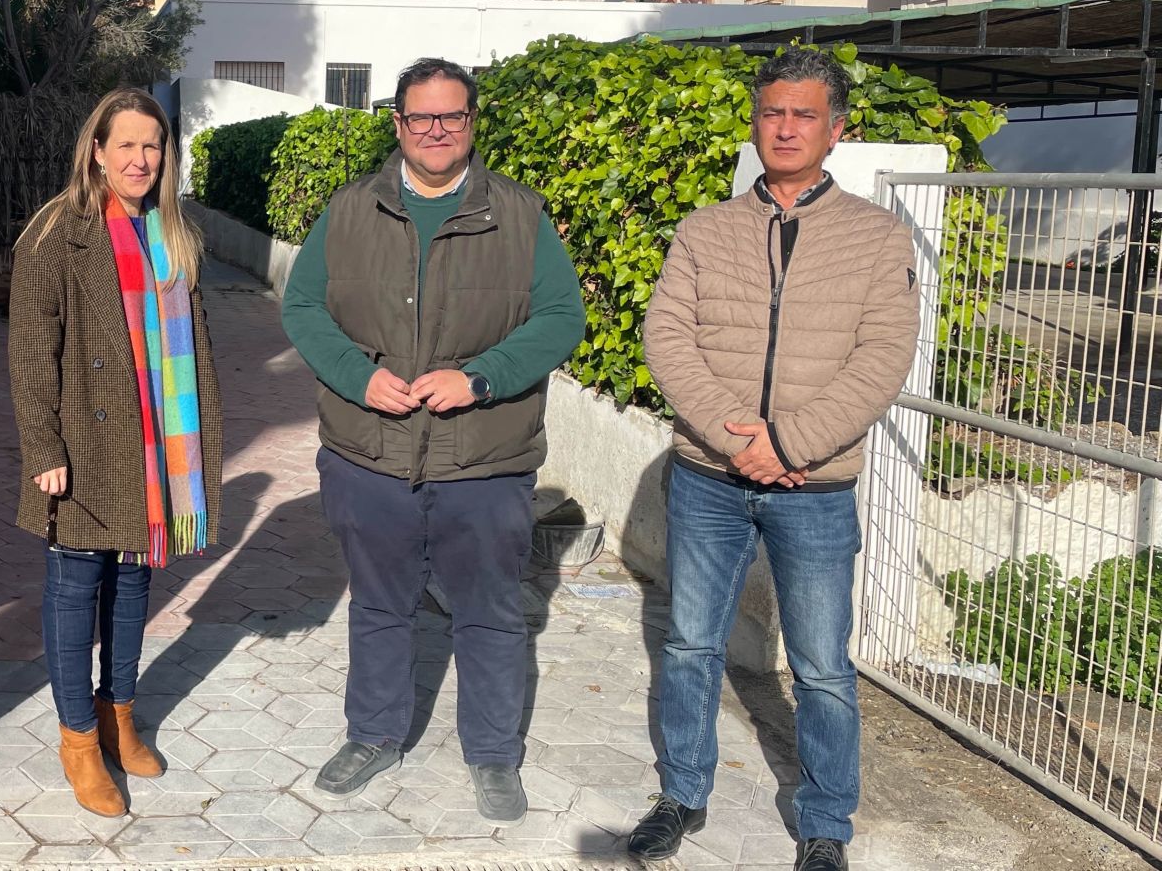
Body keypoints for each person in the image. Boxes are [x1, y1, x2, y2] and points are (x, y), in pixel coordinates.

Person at [630, 48, 920, 871]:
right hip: (708, 478)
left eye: (804, 114)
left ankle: (825, 824)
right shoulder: (705, 230)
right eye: (772, 113)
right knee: (690, 644)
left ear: (836, 129)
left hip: (814, 487)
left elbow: (882, 359)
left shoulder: (877, 237)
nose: (785, 128)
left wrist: (787, 445)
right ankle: (682, 793)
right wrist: (739, 439)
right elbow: (668, 340)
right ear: (756, 123)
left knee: (822, 667)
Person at [280, 57, 587, 824]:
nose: (436, 130)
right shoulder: (350, 210)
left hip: (483, 459)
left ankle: (493, 752)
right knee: (379, 606)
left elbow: (561, 317)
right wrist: (358, 377)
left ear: (472, 122)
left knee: (490, 613)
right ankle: (374, 735)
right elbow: (304, 306)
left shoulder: (520, 214)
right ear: (398, 123)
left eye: (452, 116)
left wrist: (481, 378)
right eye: (421, 117)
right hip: (370, 454)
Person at [8, 88, 223, 817]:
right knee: (75, 586)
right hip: (83, 437)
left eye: (152, 145)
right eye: (125, 144)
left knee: (132, 582)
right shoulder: (55, 233)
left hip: (155, 441)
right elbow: (31, 354)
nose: (139, 159)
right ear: (96, 151)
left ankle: (118, 715)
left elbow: (194, 349)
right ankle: (77, 739)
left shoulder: (175, 233)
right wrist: (44, 445)